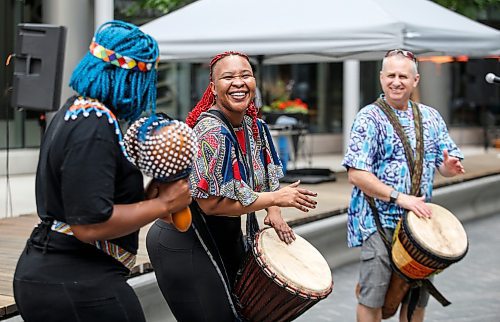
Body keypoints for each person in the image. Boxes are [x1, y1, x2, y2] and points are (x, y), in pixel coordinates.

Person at [13, 21, 192, 322]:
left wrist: (151, 196)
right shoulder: (93, 125)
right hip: (75, 283)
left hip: (61, 275)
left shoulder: (76, 111)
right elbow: (90, 225)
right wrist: (164, 204)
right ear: (130, 77)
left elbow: (89, 201)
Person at [146, 51, 318, 322]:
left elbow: (265, 178)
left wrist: (274, 211)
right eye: (228, 77)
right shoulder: (211, 133)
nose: (238, 82)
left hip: (223, 233)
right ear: (213, 88)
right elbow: (211, 204)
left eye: (245, 75)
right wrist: (276, 197)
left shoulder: (254, 127)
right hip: (182, 238)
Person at [342, 49, 465, 322]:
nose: (396, 81)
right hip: (377, 221)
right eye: (391, 75)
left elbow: (445, 166)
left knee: (415, 299)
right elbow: (357, 174)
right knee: (372, 297)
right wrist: (400, 198)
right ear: (381, 77)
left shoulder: (431, 117)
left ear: (415, 80)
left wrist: (449, 168)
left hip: (419, 225)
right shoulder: (368, 118)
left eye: (403, 76)